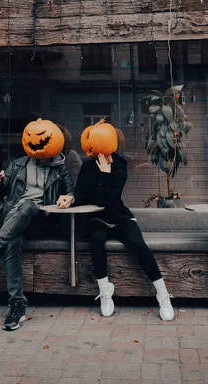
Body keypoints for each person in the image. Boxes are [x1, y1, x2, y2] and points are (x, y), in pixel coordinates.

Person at [0, 119, 74, 331]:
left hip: (40, 222)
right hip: (13, 222)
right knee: (12, 243)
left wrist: (68, 198)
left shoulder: (60, 168)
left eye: (43, 139)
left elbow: (71, 190)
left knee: (29, 205)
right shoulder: (17, 165)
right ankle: (17, 306)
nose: (37, 143)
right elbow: (2, 193)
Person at [73, 124, 174, 321]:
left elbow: (108, 201)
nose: (87, 144)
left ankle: (163, 295)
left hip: (119, 217)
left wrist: (105, 173)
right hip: (97, 218)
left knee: (138, 243)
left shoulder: (120, 167)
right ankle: (105, 292)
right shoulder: (86, 166)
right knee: (96, 239)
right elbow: (84, 196)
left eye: (92, 139)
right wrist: (70, 198)